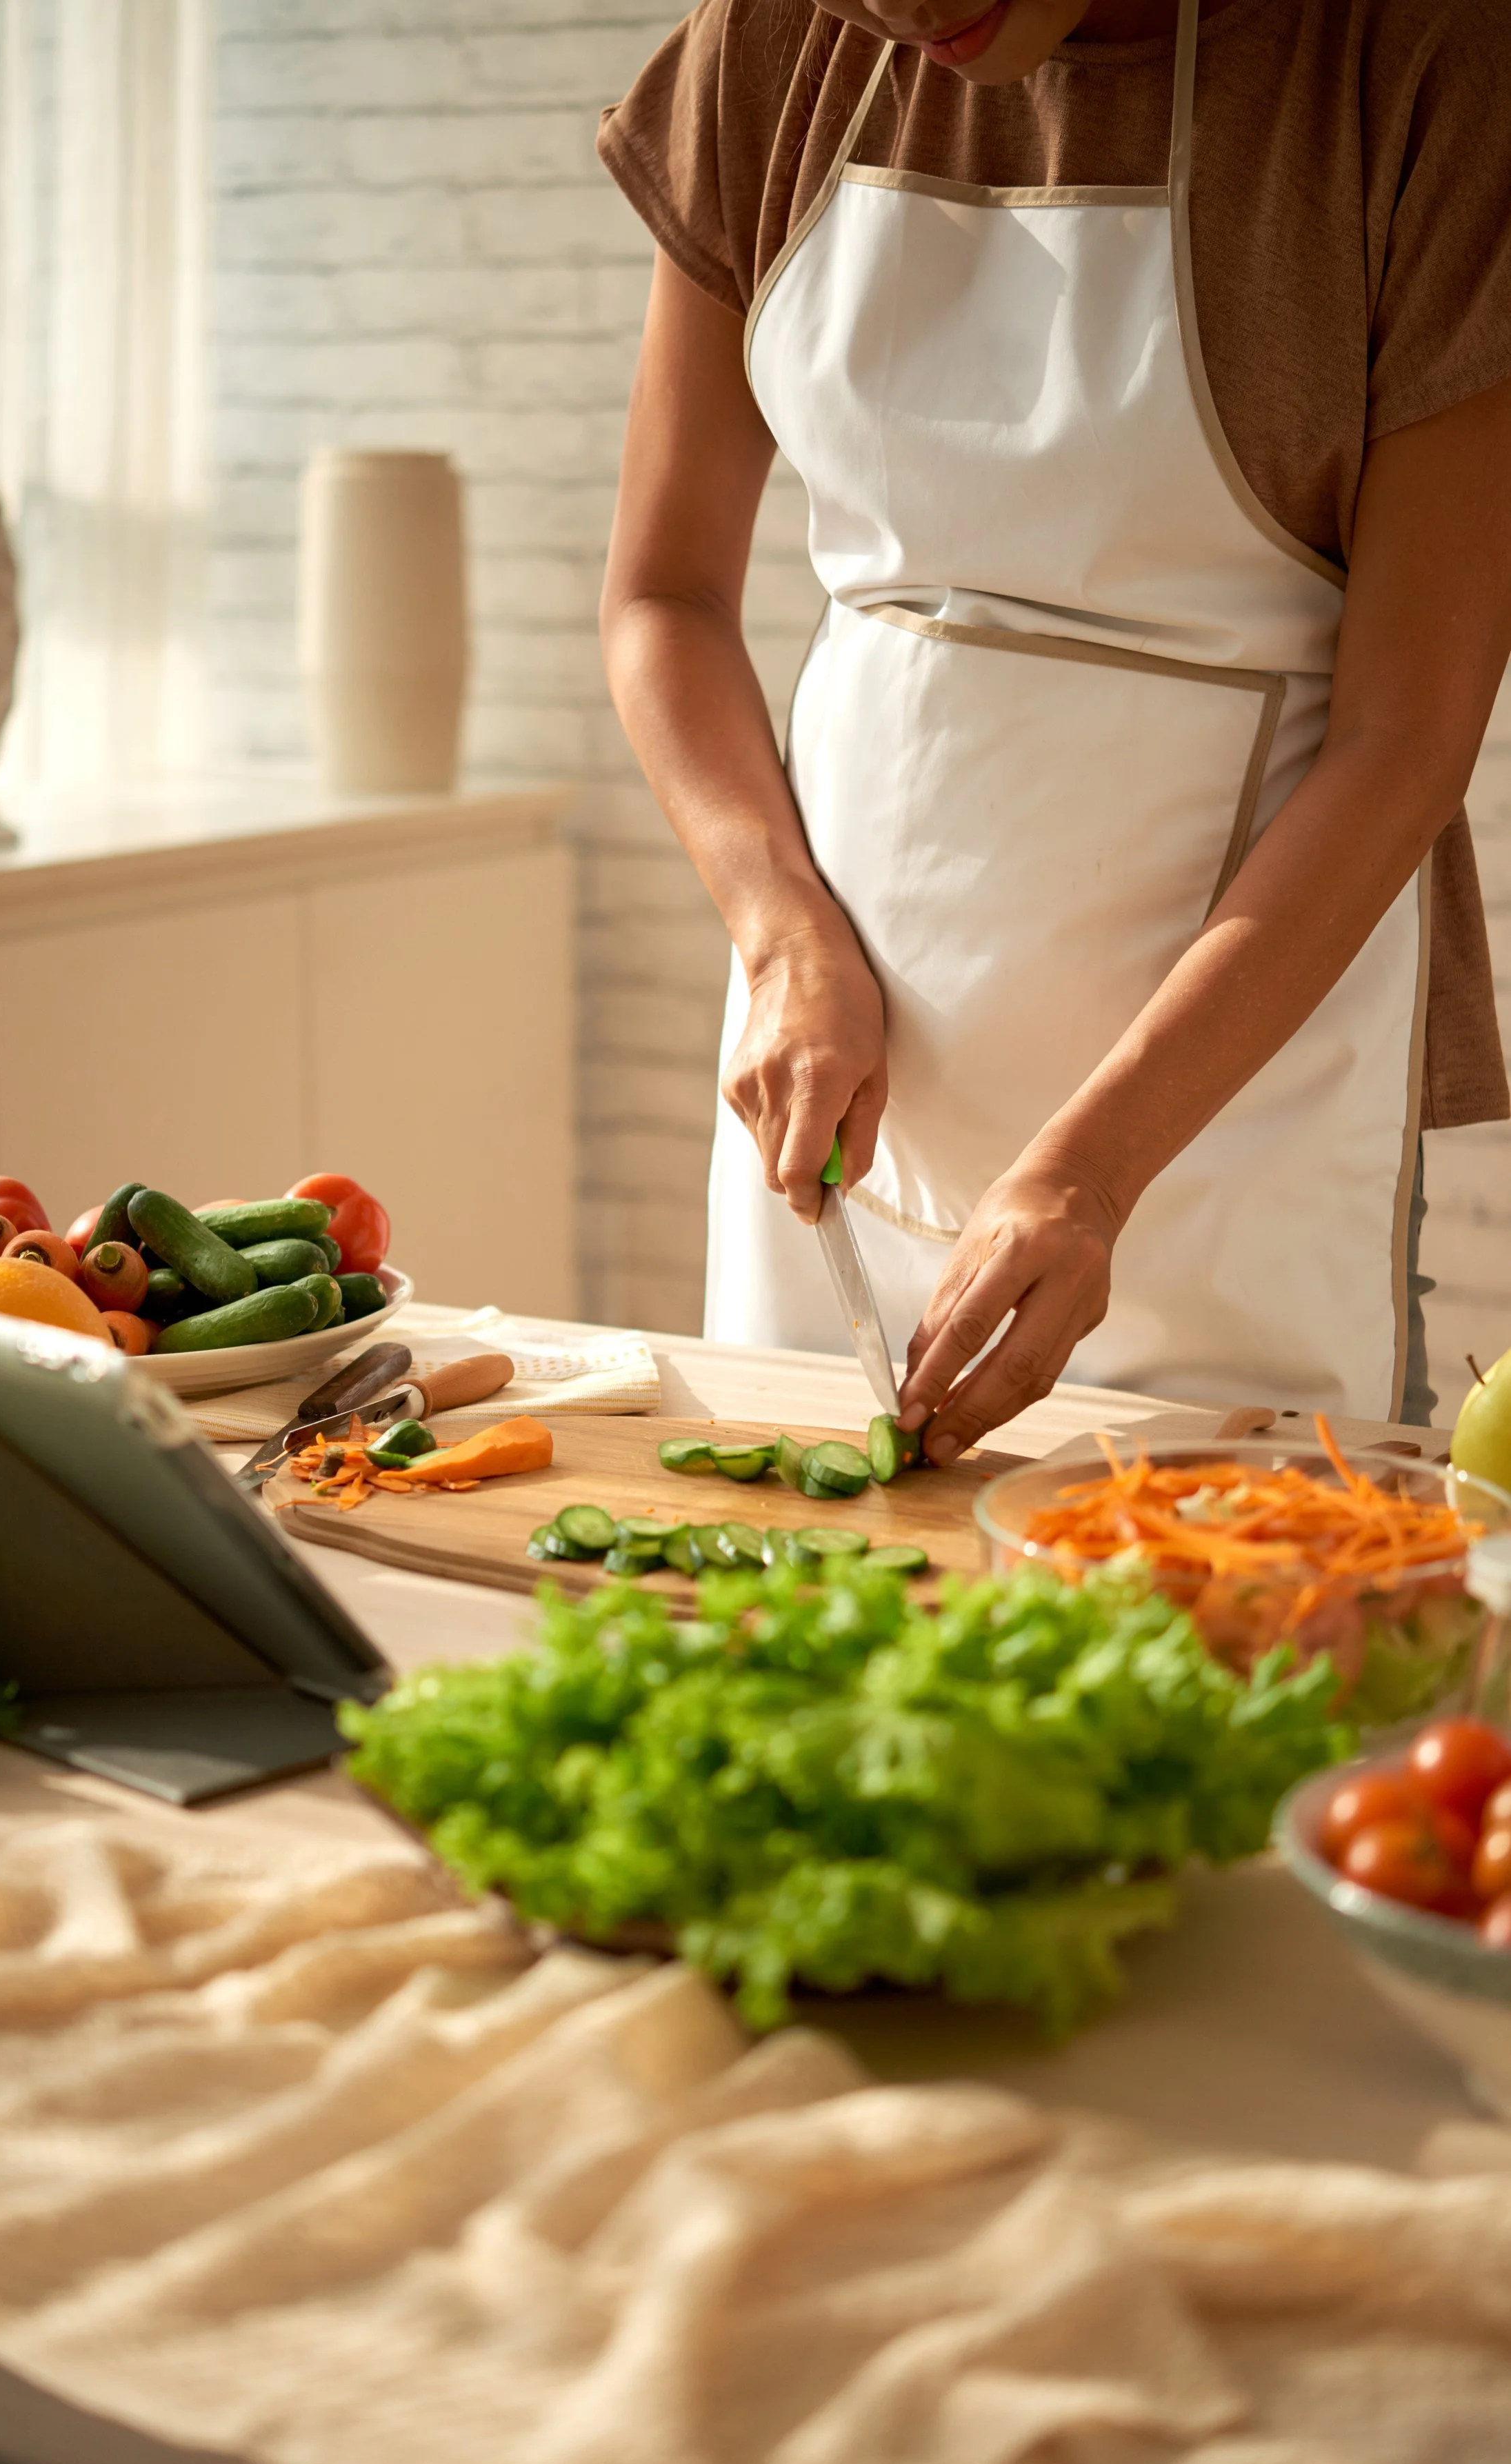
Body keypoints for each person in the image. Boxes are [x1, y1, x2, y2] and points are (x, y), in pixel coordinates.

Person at [596, 0, 1511, 1454]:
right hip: (839, 1060)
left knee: (1203, 1613)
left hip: (1229, 1110)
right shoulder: (772, 39)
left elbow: (1403, 740)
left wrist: (1089, 1172)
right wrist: (780, 936)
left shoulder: (1420, 65)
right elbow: (661, 596)